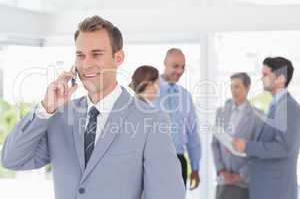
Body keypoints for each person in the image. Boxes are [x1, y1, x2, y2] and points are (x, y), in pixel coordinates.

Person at [1, 16, 185, 199]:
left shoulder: (150, 120)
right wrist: (45, 108)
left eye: (96, 54)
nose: (86, 64)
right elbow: (12, 159)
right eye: (80, 55)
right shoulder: (60, 116)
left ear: (118, 58)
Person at [232, 57, 300, 199]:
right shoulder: (275, 105)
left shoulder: (289, 107)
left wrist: (247, 146)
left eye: (265, 74)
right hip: (266, 188)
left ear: (280, 78)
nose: (261, 78)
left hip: (277, 190)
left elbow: (284, 148)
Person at [154, 48, 201, 189]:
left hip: (179, 160)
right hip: (153, 160)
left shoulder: (185, 96)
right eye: (175, 66)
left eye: (182, 67)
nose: (179, 71)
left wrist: (195, 167)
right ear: (165, 63)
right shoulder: (149, 90)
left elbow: (193, 134)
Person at [212, 72, 260, 199]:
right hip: (223, 180)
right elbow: (215, 144)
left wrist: (240, 175)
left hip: (243, 183)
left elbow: (257, 151)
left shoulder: (257, 117)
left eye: (237, 86)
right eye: (232, 87)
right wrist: (222, 170)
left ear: (247, 87)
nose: (234, 90)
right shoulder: (221, 112)